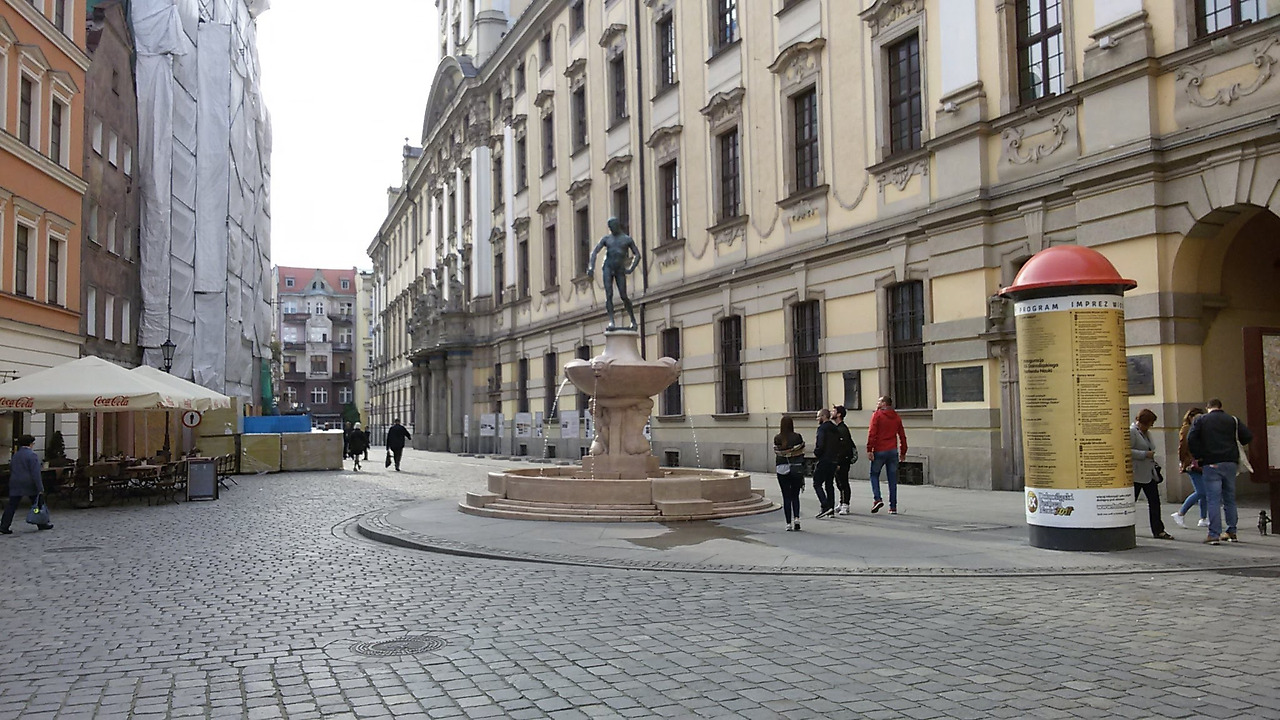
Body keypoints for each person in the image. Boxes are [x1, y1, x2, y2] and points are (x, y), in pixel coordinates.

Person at [1188, 398, 1253, 544]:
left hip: (1211, 462)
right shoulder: (1232, 420)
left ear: (1208, 407)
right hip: (1230, 462)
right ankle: (1231, 531)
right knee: (1229, 498)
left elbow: (1191, 438)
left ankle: (1214, 534)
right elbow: (1247, 436)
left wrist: (1199, 455)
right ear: (1220, 407)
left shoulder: (1201, 420)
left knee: (1213, 499)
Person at [587, 218, 641, 331]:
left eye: (612, 227)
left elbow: (637, 254)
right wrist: (591, 267)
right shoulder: (607, 239)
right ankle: (611, 321)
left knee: (623, 295)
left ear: (617, 225)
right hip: (608, 267)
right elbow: (594, 252)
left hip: (619, 269)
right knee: (609, 294)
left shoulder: (627, 239)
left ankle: (632, 320)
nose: (611, 229)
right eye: (610, 228)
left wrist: (631, 268)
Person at [1131, 409, 1174, 539]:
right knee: (1131, 502)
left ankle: (1158, 530)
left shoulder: (1147, 433)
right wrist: (1144, 454)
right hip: (1137, 473)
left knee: (1154, 501)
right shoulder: (1132, 431)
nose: (1151, 426)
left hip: (1149, 473)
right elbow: (1127, 450)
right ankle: (1126, 525)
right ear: (1143, 422)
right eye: (1150, 423)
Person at [2, 435, 52, 534]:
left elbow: (11, 467)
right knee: (37, 504)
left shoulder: (16, 455)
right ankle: (41, 522)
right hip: (29, 483)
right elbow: (35, 473)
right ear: (30, 444)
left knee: (12, 505)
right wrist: (40, 487)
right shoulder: (32, 455)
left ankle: (4, 525)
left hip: (15, 482)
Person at [867, 396, 907, 514]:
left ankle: (877, 499)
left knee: (874, 474)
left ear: (884, 403)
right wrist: (903, 451)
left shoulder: (877, 415)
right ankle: (893, 507)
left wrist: (869, 449)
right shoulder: (896, 416)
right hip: (892, 451)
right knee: (892, 479)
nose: (877, 403)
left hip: (879, 450)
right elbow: (902, 435)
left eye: (879, 401)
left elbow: (872, 433)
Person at [1171, 407, 1208, 529]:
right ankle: (1180, 513)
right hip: (1191, 464)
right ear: (1190, 417)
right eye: (1197, 417)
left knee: (1204, 492)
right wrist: (1183, 462)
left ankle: (1203, 518)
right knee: (1201, 491)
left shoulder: (1199, 428)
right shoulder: (1187, 429)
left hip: (1200, 462)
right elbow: (1182, 447)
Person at [773, 416, 806, 531]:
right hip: (796, 468)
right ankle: (797, 519)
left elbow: (777, 452)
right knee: (795, 495)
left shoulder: (777, 438)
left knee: (786, 496)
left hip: (782, 468)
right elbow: (802, 451)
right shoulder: (797, 437)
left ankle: (788, 524)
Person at [812, 408, 840, 519]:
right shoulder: (835, 428)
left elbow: (820, 444)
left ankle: (825, 506)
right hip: (833, 459)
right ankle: (831, 509)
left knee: (817, 483)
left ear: (824, 416)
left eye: (818, 416)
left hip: (824, 459)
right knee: (829, 484)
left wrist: (816, 453)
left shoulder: (822, 429)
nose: (817, 419)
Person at [832, 405, 857, 515]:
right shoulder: (838, 428)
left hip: (843, 461)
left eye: (834, 411)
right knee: (839, 482)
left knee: (843, 482)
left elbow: (844, 448)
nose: (831, 412)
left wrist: (839, 462)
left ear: (839, 414)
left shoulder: (842, 429)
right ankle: (842, 502)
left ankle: (846, 504)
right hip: (839, 460)